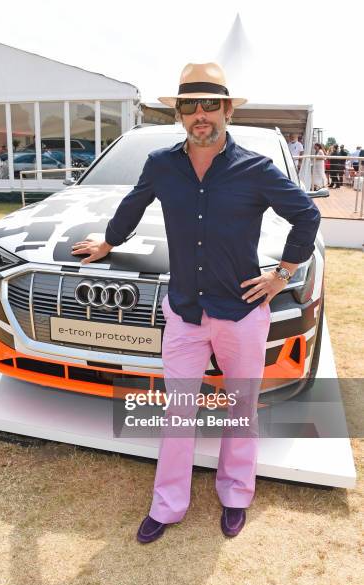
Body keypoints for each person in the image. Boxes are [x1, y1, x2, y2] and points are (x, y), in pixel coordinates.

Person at [71, 62, 321, 544]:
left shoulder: (257, 169)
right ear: (179, 113)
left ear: (227, 109)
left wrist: (283, 273)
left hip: (243, 312)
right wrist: (108, 241)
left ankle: (235, 496)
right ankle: (168, 505)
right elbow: (134, 204)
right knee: (178, 412)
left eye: (210, 104)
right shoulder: (162, 165)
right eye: (190, 105)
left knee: (241, 407)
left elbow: (306, 215)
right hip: (184, 310)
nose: (200, 114)